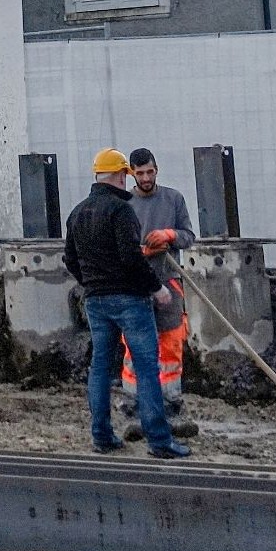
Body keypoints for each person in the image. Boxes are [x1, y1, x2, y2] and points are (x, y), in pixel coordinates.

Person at [62, 148, 190, 458]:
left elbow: (70, 258)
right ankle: (160, 442)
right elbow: (131, 258)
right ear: (121, 175)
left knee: (100, 368)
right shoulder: (121, 211)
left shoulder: (78, 212)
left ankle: (102, 436)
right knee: (147, 368)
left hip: (95, 301)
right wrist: (156, 288)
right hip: (130, 300)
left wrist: (90, 282)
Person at [120, 147, 194, 417]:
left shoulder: (173, 199)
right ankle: (133, 399)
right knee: (134, 343)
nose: (146, 178)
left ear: (156, 170)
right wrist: (144, 251)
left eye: (150, 172)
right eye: (140, 173)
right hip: (136, 284)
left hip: (168, 279)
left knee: (171, 340)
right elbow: (121, 249)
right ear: (132, 174)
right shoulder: (125, 204)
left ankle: (171, 399)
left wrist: (169, 235)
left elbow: (188, 236)